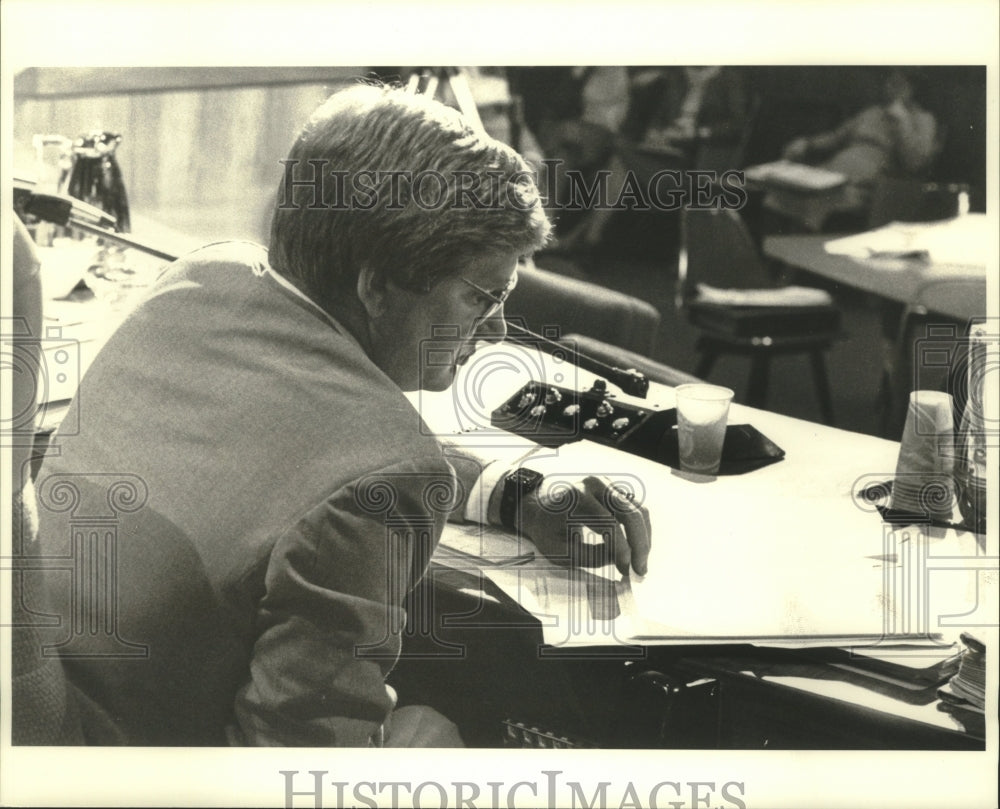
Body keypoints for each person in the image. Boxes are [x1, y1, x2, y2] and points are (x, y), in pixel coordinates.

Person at [20, 83, 651, 747]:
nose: (495, 330)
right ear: (376, 284)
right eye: (481, 298)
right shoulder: (381, 468)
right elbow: (294, 771)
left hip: (37, 701)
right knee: (434, 733)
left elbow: (309, 438)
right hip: (103, 773)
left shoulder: (201, 281)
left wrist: (511, 492)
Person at [766, 68, 940, 231]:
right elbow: (835, 137)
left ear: (913, 90)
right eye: (890, 82)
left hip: (870, 183)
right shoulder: (872, 113)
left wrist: (903, 122)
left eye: (900, 84)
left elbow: (915, 162)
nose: (891, 88)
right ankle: (774, 254)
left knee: (817, 199)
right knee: (784, 192)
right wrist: (807, 143)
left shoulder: (923, 119)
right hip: (835, 170)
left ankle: (797, 253)